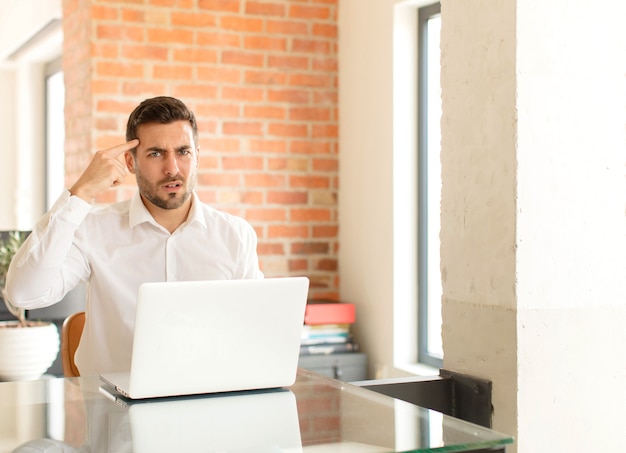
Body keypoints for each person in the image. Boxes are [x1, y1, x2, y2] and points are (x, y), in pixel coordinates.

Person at [5, 96, 263, 376]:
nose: (172, 168)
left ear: (197, 156)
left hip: (209, 401)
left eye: (183, 152)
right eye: (156, 153)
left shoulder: (235, 235)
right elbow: (24, 293)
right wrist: (80, 192)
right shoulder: (93, 230)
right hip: (116, 411)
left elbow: (254, 333)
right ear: (130, 162)